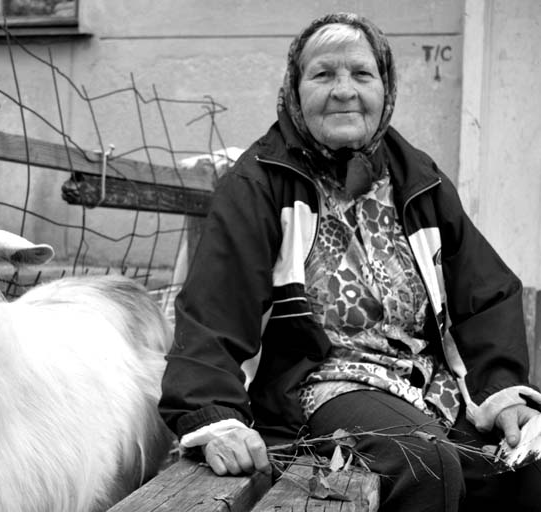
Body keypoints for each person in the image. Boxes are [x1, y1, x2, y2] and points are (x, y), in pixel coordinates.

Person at [159, 12, 541, 512]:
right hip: (322, 387)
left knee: (527, 460)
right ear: (295, 91)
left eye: (362, 74)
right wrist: (214, 416)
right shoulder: (261, 183)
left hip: (429, 388)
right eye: (323, 75)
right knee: (424, 464)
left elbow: (486, 291)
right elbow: (212, 310)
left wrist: (503, 393)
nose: (344, 90)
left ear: (386, 88)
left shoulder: (419, 180)